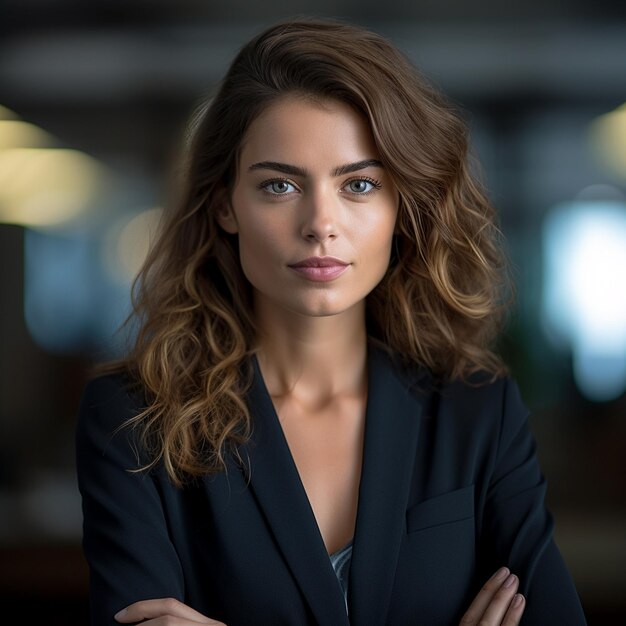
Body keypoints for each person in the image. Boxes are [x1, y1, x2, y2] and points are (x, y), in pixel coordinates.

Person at [75, 17, 588, 626]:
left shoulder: (478, 410)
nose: (321, 222)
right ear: (224, 204)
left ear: (404, 205)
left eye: (360, 184)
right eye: (281, 185)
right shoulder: (134, 419)